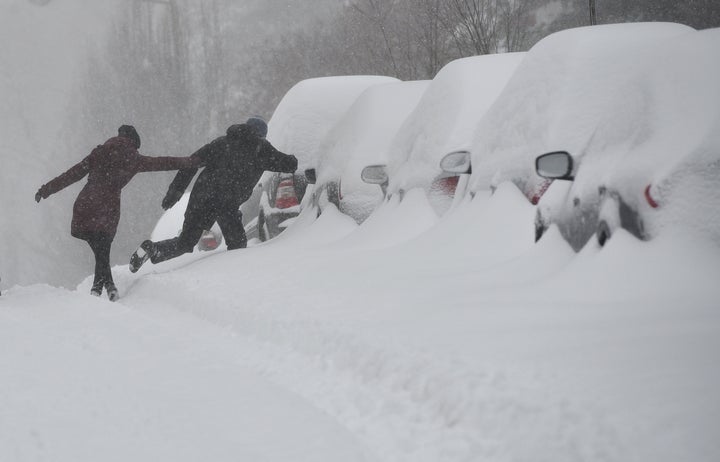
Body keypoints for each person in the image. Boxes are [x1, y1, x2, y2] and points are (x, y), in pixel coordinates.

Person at [35, 125, 199, 301]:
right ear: (134, 142)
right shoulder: (134, 158)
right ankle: (103, 289)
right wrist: (191, 161)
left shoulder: (99, 153)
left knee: (101, 251)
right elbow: (163, 162)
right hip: (107, 208)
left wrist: (46, 190)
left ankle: (103, 288)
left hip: (87, 204)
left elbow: (72, 174)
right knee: (102, 249)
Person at [129, 117, 298, 272]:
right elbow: (289, 164)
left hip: (201, 196)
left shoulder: (221, 143)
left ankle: (153, 249)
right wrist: (293, 156)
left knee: (186, 242)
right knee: (237, 243)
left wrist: (176, 191)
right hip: (227, 202)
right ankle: (229, 278)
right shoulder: (261, 148)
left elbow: (191, 163)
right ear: (262, 135)